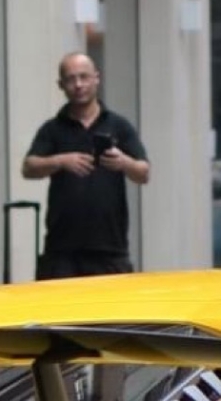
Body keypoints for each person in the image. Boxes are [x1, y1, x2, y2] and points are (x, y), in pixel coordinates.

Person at [21, 52, 151, 278]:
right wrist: (60, 160)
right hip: (62, 250)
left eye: (84, 77)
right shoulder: (52, 129)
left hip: (110, 248)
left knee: (112, 312)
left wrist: (124, 162)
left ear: (96, 78)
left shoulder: (118, 125)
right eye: (71, 79)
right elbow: (29, 167)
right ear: (61, 85)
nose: (78, 84)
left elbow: (143, 172)